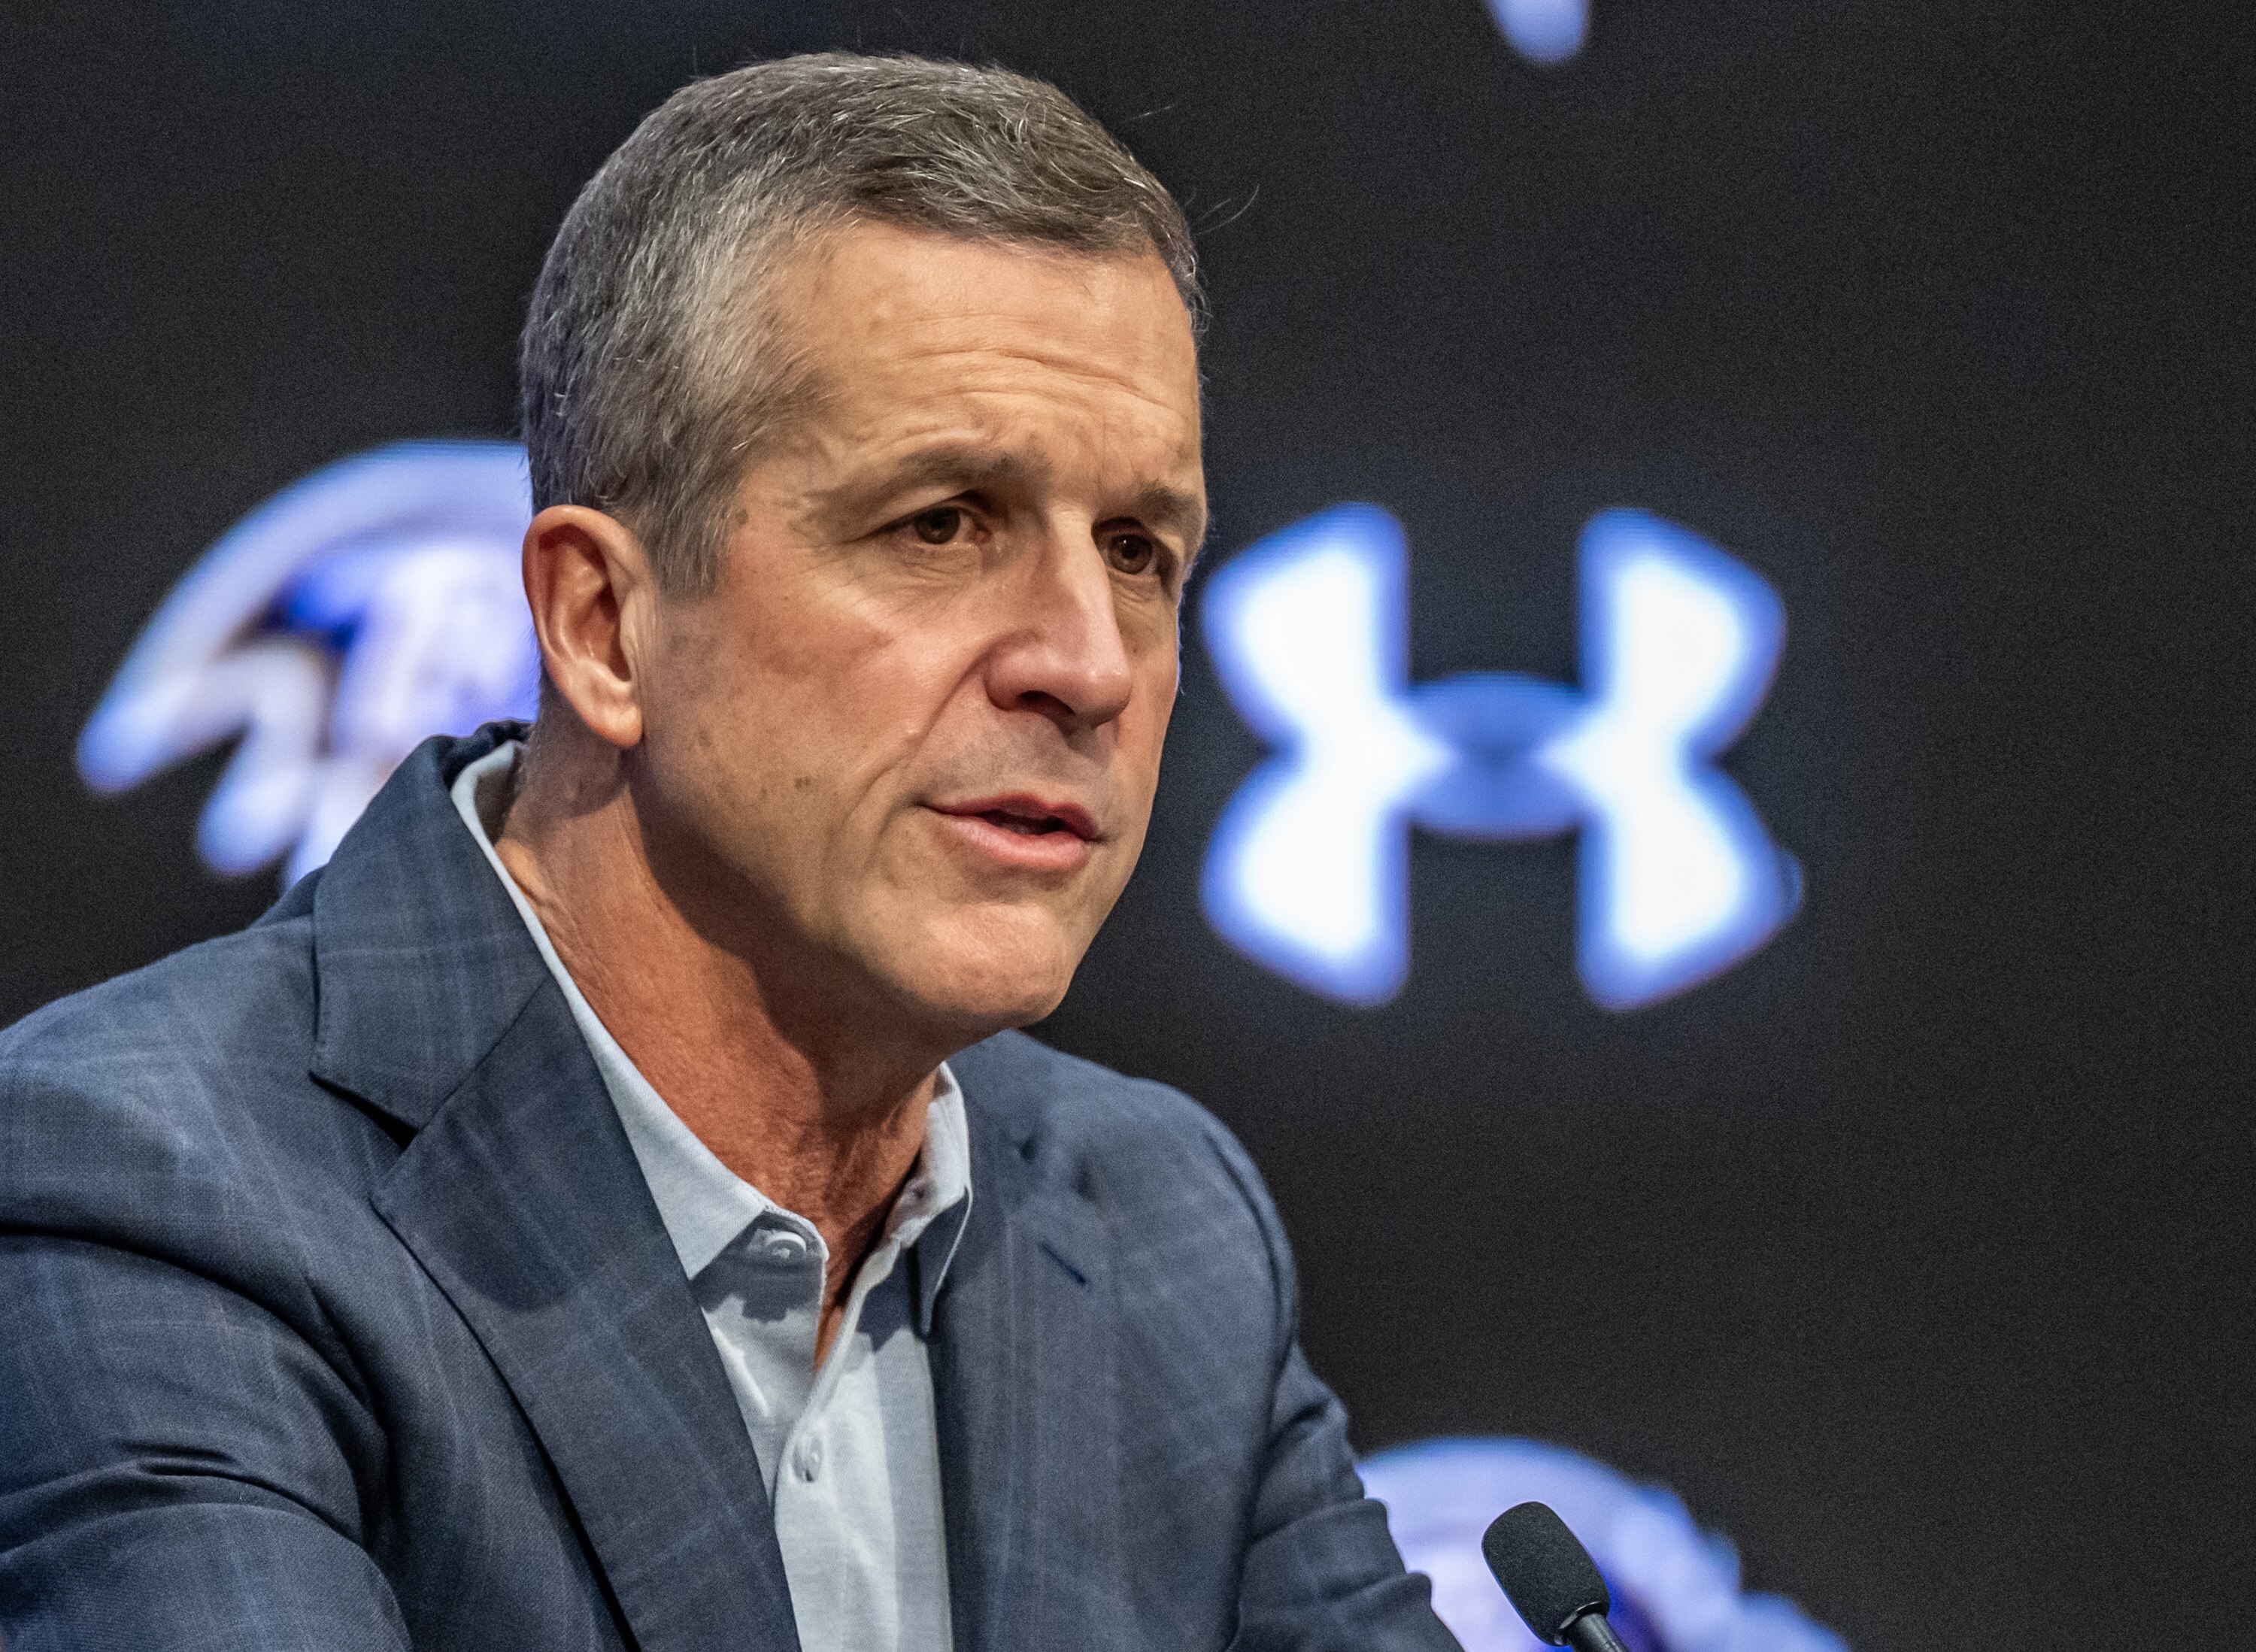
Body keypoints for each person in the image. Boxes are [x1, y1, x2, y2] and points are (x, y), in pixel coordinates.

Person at [0, 53, 1460, 1652]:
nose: (1089, 663)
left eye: (1138, 551)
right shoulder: (150, 1194)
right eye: (942, 523)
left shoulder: (1161, 1223)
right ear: (602, 624)